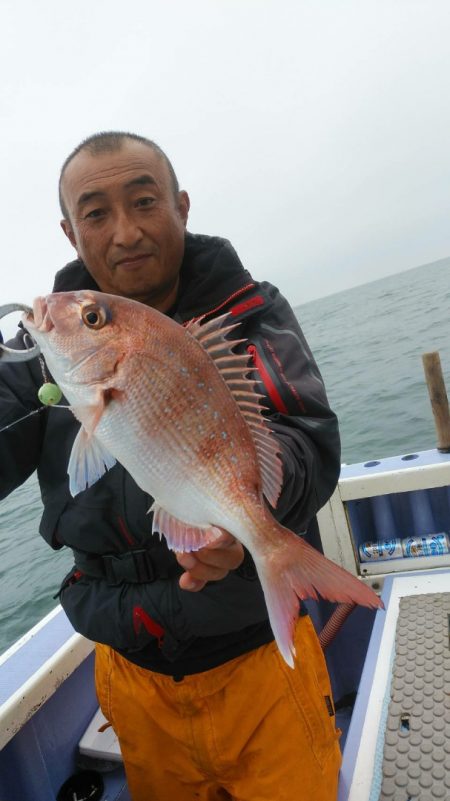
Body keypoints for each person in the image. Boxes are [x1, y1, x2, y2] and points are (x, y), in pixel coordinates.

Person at [0, 132, 342, 800]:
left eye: (145, 200)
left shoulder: (250, 314)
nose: (125, 230)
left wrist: (248, 523)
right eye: (96, 213)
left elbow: (306, 439)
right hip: (130, 671)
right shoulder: (52, 340)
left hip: (260, 659)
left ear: (181, 206)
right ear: (71, 234)